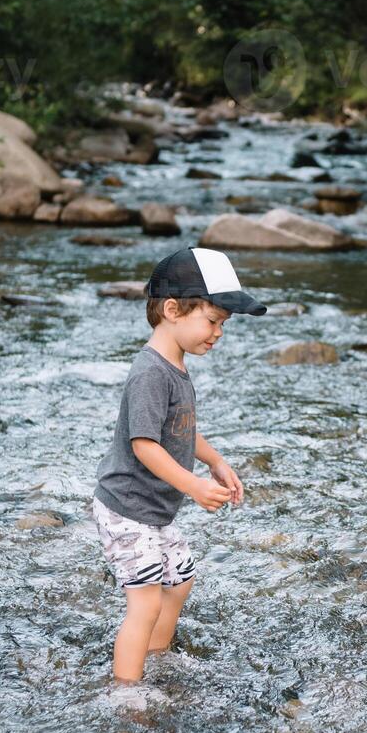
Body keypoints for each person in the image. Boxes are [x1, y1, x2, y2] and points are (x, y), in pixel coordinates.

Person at [91, 246, 268, 684]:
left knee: (181, 578)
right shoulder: (150, 372)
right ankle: (127, 692)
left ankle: (158, 655)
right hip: (127, 507)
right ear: (172, 309)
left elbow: (181, 430)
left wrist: (215, 461)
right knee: (146, 602)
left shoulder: (176, 365)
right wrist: (192, 485)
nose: (219, 333)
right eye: (212, 321)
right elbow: (146, 444)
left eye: (223, 325)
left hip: (153, 508)